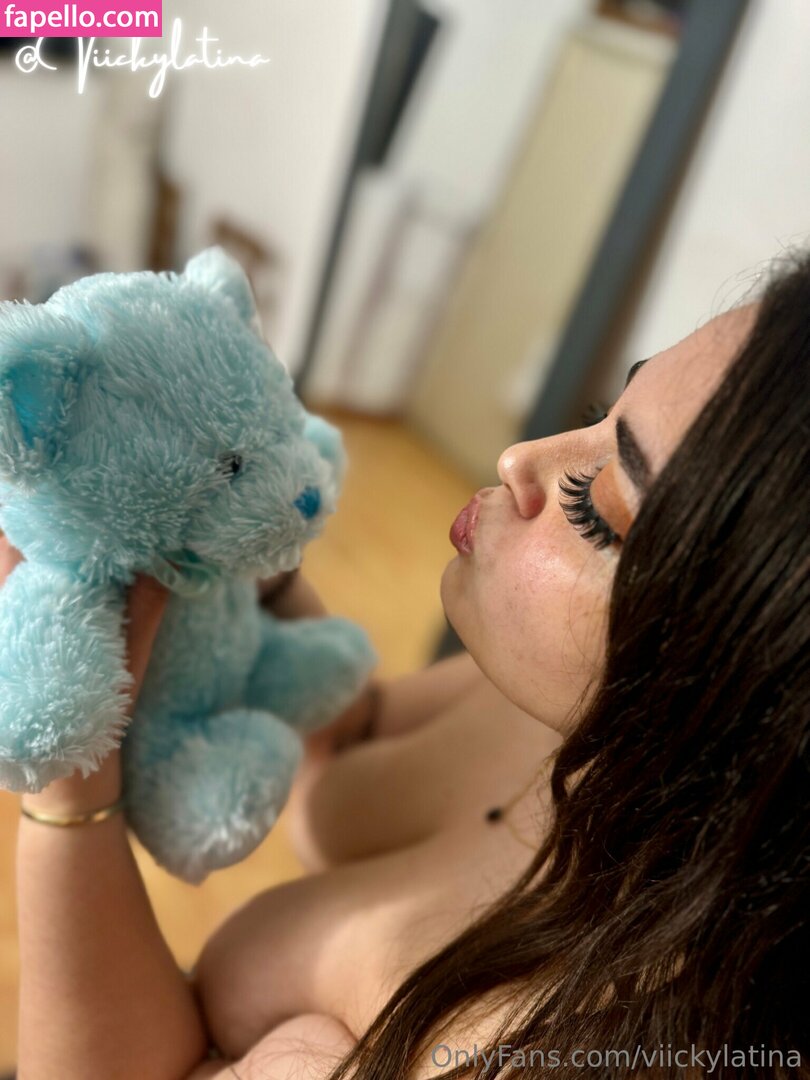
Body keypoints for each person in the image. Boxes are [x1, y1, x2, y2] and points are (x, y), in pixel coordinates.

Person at [11, 246, 810, 1080]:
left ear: (742, 683)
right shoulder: (557, 710)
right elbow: (352, 734)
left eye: (597, 505)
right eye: (603, 410)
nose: (520, 457)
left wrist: (71, 785)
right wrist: (244, 562)